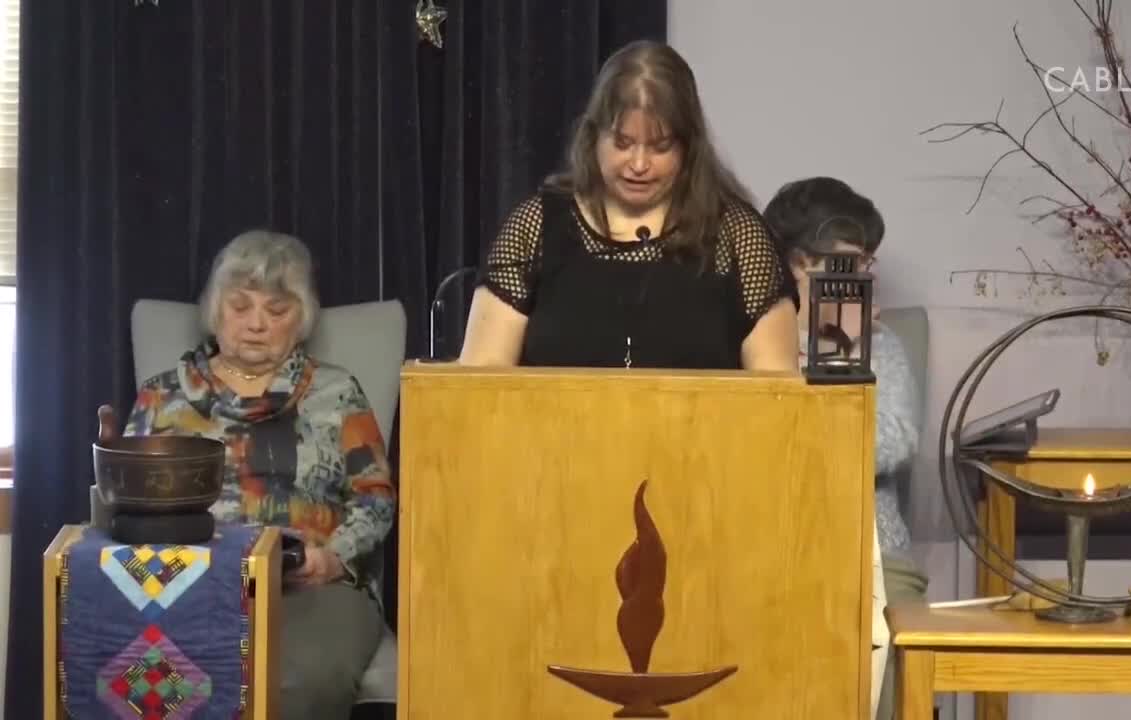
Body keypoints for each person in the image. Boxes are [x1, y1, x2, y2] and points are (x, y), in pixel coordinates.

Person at [124, 230, 396, 720]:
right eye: (240, 306)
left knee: (290, 683)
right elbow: (125, 503)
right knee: (153, 679)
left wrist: (333, 559)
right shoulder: (161, 398)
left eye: (276, 310)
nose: (255, 325)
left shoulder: (336, 392)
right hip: (188, 586)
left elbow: (375, 497)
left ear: (302, 319)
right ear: (215, 310)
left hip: (311, 587)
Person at [459, 40, 797, 370]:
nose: (638, 164)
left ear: (688, 148)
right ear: (594, 138)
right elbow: (479, 383)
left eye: (660, 147)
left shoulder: (738, 236)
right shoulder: (535, 227)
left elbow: (776, 395)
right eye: (622, 143)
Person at [764, 176, 928, 720]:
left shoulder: (881, 345)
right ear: (798, 265)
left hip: (875, 554)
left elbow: (894, 441)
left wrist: (845, 354)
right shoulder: (755, 340)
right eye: (847, 265)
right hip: (773, 551)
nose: (862, 279)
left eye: (867, 265)